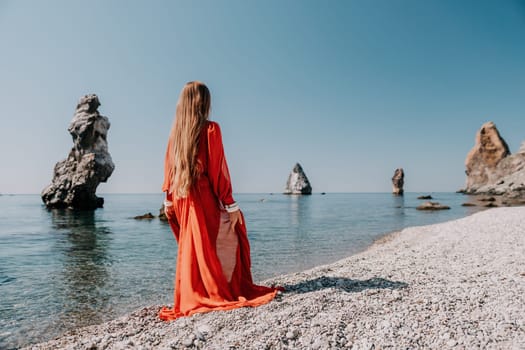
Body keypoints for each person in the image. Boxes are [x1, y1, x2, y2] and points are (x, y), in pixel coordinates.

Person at [159, 81, 280, 320]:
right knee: (227, 237)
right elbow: (217, 171)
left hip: (182, 197)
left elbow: (170, 170)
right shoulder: (211, 129)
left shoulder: (176, 134)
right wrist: (230, 204)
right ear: (204, 102)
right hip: (203, 196)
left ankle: (194, 292)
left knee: (195, 247)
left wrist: (168, 200)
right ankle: (217, 290)